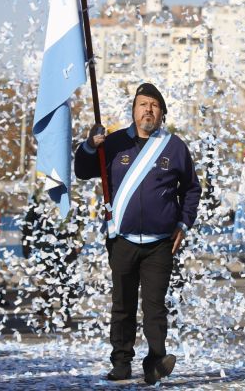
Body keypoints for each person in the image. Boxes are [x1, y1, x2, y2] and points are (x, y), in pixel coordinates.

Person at [74, 82, 201, 385]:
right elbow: (81, 169)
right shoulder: (114, 143)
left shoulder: (175, 147)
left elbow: (192, 188)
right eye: (143, 104)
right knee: (122, 305)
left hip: (161, 243)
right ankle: (121, 363)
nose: (148, 110)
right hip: (122, 240)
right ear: (133, 110)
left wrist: (184, 223)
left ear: (162, 113)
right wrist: (91, 146)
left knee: (155, 307)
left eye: (154, 105)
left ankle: (155, 362)